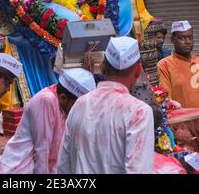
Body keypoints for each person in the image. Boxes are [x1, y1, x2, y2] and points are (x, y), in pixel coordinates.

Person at [57, 36, 155, 174]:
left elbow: (63, 165)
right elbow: (139, 170)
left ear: (102, 67)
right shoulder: (139, 112)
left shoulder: (80, 103)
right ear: (138, 71)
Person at [0, 68, 96, 174]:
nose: (81, 110)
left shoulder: (63, 105)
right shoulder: (46, 101)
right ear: (63, 98)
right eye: (78, 105)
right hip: (19, 168)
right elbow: (42, 150)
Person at [157, 21, 199, 108]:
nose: (187, 41)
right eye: (182, 38)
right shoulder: (165, 65)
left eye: (190, 37)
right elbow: (167, 100)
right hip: (183, 120)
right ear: (172, 40)